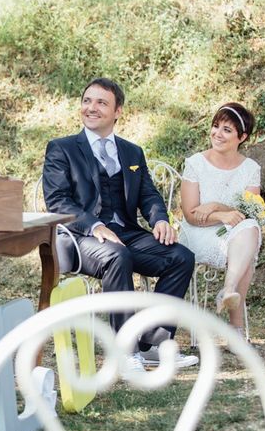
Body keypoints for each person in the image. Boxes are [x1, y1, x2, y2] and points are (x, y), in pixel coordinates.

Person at [43, 77, 198, 372]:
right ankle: (124, 352)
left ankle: (152, 343)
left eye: (101, 102)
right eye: (87, 101)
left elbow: (148, 194)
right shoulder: (62, 149)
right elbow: (58, 201)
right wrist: (94, 226)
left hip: (126, 231)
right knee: (117, 255)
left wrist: (160, 219)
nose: (91, 108)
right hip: (78, 237)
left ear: (118, 112)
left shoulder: (132, 152)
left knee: (180, 257)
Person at [180, 103, 262, 338]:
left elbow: (250, 211)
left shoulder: (250, 168)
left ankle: (228, 290)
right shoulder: (195, 163)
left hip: (233, 231)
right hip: (196, 232)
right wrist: (222, 216)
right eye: (216, 126)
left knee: (250, 229)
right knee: (245, 244)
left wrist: (216, 207)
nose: (217, 133)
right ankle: (236, 328)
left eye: (227, 129)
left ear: (242, 136)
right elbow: (190, 214)